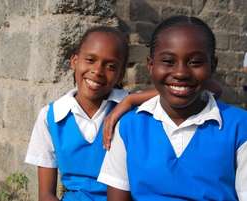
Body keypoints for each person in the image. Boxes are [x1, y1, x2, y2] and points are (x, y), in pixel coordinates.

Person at [98, 15, 247, 201]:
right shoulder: (129, 127)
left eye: (195, 62)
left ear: (213, 65)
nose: (181, 73)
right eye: (168, 61)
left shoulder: (239, 127)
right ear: (150, 66)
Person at [24, 26, 158, 201]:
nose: (98, 71)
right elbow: (46, 195)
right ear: (74, 61)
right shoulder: (52, 116)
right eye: (90, 59)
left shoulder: (133, 111)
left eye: (111, 66)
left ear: (120, 75)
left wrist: (130, 101)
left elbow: (196, 91)